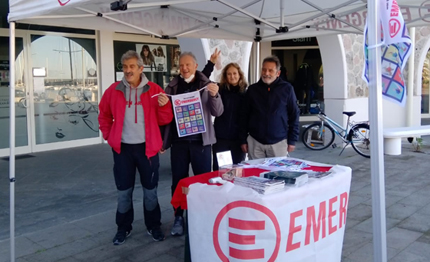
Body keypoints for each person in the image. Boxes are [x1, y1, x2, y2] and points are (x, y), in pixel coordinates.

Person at [98, 50, 173, 245]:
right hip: (122, 150)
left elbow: (166, 120)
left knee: (150, 191)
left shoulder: (155, 89)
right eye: (125, 67)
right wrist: (109, 135)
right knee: (124, 192)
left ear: (141, 68)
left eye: (132, 66)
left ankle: (153, 225)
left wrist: (165, 106)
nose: (128, 71)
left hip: (147, 150)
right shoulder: (113, 90)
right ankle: (123, 227)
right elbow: (104, 115)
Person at [161, 52, 223, 236]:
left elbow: (218, 112)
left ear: (195, 66)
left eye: (187, 65)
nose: (184, 68)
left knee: (203, 181)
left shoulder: (206, 85)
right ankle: (178, 216)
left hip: (201, 143)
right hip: (179, 143)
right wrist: (162, 105)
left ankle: (202, 216)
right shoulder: (171, 87)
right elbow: (165, 117)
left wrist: (215, 95)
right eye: (181, 65)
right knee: (178, 181)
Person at [239, 55, 300, 160]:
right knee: (255, 174)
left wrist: (292, 140)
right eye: (264, 69)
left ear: (278, 73)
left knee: (278, 175)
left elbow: (294, 114)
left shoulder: (287, 89)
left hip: (279, 143)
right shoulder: (252, 90)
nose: (266, 73)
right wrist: (243, 140)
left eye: (270, 70)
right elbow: (244, 116)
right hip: (255, 142)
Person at [212, 62, 247, 170]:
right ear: (225, 76)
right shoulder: (220, 90)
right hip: (221, 139)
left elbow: (246, 118)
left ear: (239, 74)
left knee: (237, 172)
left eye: (235, 73)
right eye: (229, 74)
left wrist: (244, 140)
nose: (232, 76)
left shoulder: (245, 94)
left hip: (238, 140)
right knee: (221, 171)